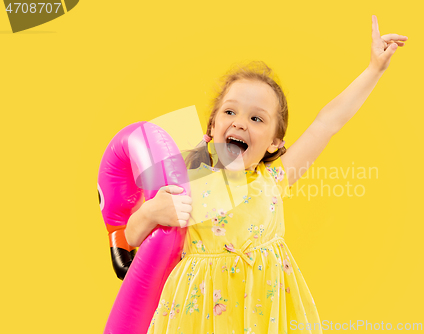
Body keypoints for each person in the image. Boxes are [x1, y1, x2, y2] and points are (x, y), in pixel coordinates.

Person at [125, 15, 408, 334]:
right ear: (212, 126)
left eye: (257, 118)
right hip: (200, 316)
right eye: (230, 112)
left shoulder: (273, 178)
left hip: (265, 312)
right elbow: (131, 237)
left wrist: (374, 69)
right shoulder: (186, 180)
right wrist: (150, 211)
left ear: (275, 141)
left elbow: (327, 123)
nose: (241, 123)